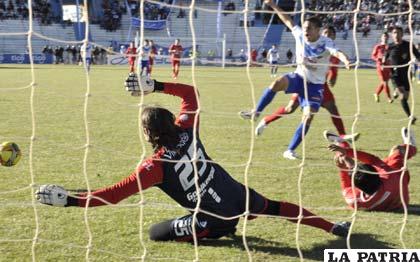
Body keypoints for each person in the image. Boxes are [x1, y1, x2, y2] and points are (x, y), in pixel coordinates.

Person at [36, 78, 350, 242]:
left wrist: (71, 202)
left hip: (212, 215)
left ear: (148, 132)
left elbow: (113, 195)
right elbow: (191, 93)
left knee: (156, 233)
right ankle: (333, 227)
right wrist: (155, 86)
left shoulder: (153, 168)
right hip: (233, 191)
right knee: (275, 207)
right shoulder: (186, 127)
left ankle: (218, 229)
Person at [239, 0, 351, 160]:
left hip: (315, 86)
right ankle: (256, 113)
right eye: (304, 28)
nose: (305, 31)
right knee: (276, 83)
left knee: (308, 116)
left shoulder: (325, 42)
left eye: (309, 29)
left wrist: (345, 60)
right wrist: (273, 5)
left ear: (318, 30)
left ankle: (289, 150)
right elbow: (287, 20)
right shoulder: (299, 34)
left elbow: (337, 52)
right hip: (299, 77)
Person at [253, 26, 358, 144]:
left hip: (321, 86)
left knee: (333, 108)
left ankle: (342, 136)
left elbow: (333, 71)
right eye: (325, 33)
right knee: (290, 108)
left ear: (334, 36)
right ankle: (266, 120)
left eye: (330, 34)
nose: (328, 36)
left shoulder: (334, 51)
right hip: (305, 82)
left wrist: (333, 78)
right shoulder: (316, 47)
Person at [323, 127, 416, 211]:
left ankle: (341, 142)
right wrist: (347, 153)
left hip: (390, 193)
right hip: (399, 178)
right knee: (397, 149)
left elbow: (346, 187)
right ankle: (411, 146)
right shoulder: (390, 175)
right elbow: (372, 159)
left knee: (342, 158)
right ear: (377, 174)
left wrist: (342, 168)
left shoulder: (355, 200)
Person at [386, 26, 420, 124]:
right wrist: (382, 61)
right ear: (392, 35)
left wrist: (417, 60)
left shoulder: (409, 45)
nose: (396, 35)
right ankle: (410, 116)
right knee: (402, 95)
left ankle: (396, 92)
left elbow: (418, 56)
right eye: (394, 33)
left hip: (407, 73)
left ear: (402, 34)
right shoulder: (390, 46)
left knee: (405, 97)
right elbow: (385, 58)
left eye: (398, 33)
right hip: (395, 74)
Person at [371, 32, 392, 103]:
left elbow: (392, 56)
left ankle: (376, 93)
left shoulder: (390, 47)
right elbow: (373, 56)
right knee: (385, 82)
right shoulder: (378, 47)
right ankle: (389, 98)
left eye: (386, 36)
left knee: (384, 82)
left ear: (388, 38)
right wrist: (378, 58)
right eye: (383, 36)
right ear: (381, 38)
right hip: (380, 66)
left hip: (388, 66)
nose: (385, 38)